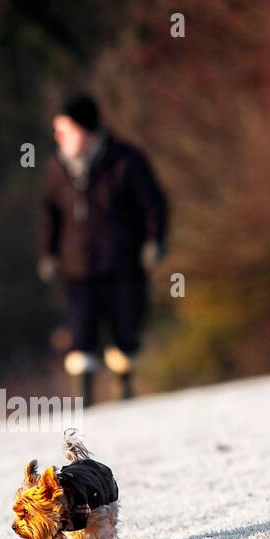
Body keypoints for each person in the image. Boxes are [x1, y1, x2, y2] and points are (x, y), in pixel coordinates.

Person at [39, 92, 168, 403]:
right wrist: (48, 254)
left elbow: (154, 204)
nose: (58, 137)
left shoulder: (126, 161)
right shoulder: (56, 168)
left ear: (86, 130)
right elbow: (48, 214)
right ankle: (83, 399)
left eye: (65, 129)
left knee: (126, 330)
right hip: (77, 269)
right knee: (80, 335)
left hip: (123, 264)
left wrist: (154, 241)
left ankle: (123, 385)